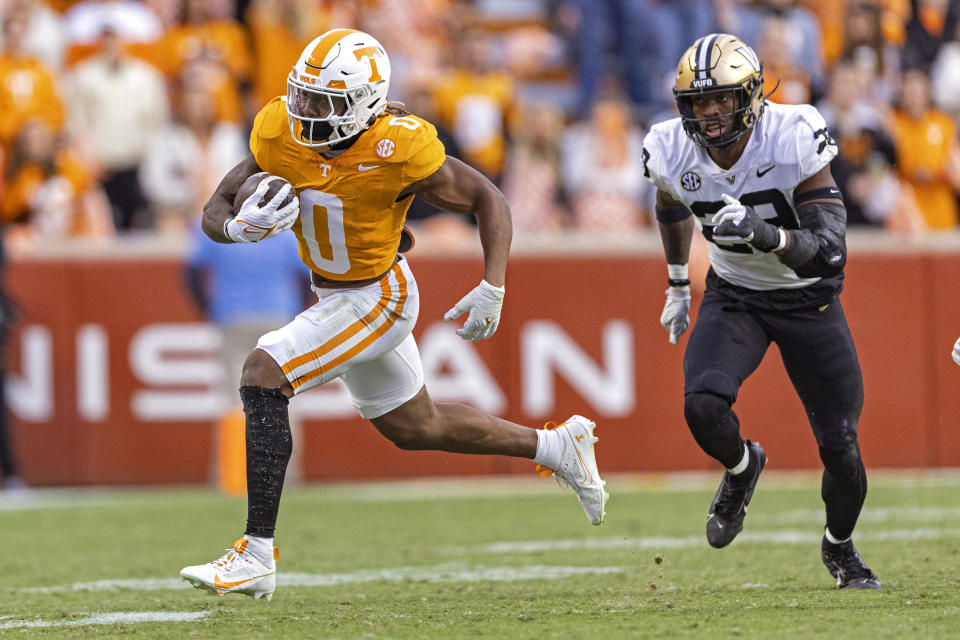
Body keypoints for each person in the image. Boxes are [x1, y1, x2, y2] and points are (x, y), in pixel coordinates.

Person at [179, 28, 608, 601]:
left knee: (263, 373)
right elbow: (215, 207)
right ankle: (557, 448)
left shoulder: (397, 145)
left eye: (323, 103)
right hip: (336, 294)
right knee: (415, 427)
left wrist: (494, 284)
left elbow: (488, 198)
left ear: (363, 104)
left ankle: (257, 553)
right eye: (302, 96)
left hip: (377, 294)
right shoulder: (279, 128)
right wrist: (236, 229)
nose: (305, 112)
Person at [642, 33, 879, 589]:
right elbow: (669, 202)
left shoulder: (791, 133)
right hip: (737, 295)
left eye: (722, 99)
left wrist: (767, 234)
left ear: (749, 95)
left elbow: (831, 248)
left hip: (808, 300)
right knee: (702, 406)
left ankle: (840, 548)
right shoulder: (669, 145)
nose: (711, 112)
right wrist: (678, 282)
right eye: (699, 102)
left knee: (841, 446)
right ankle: (743, 467)